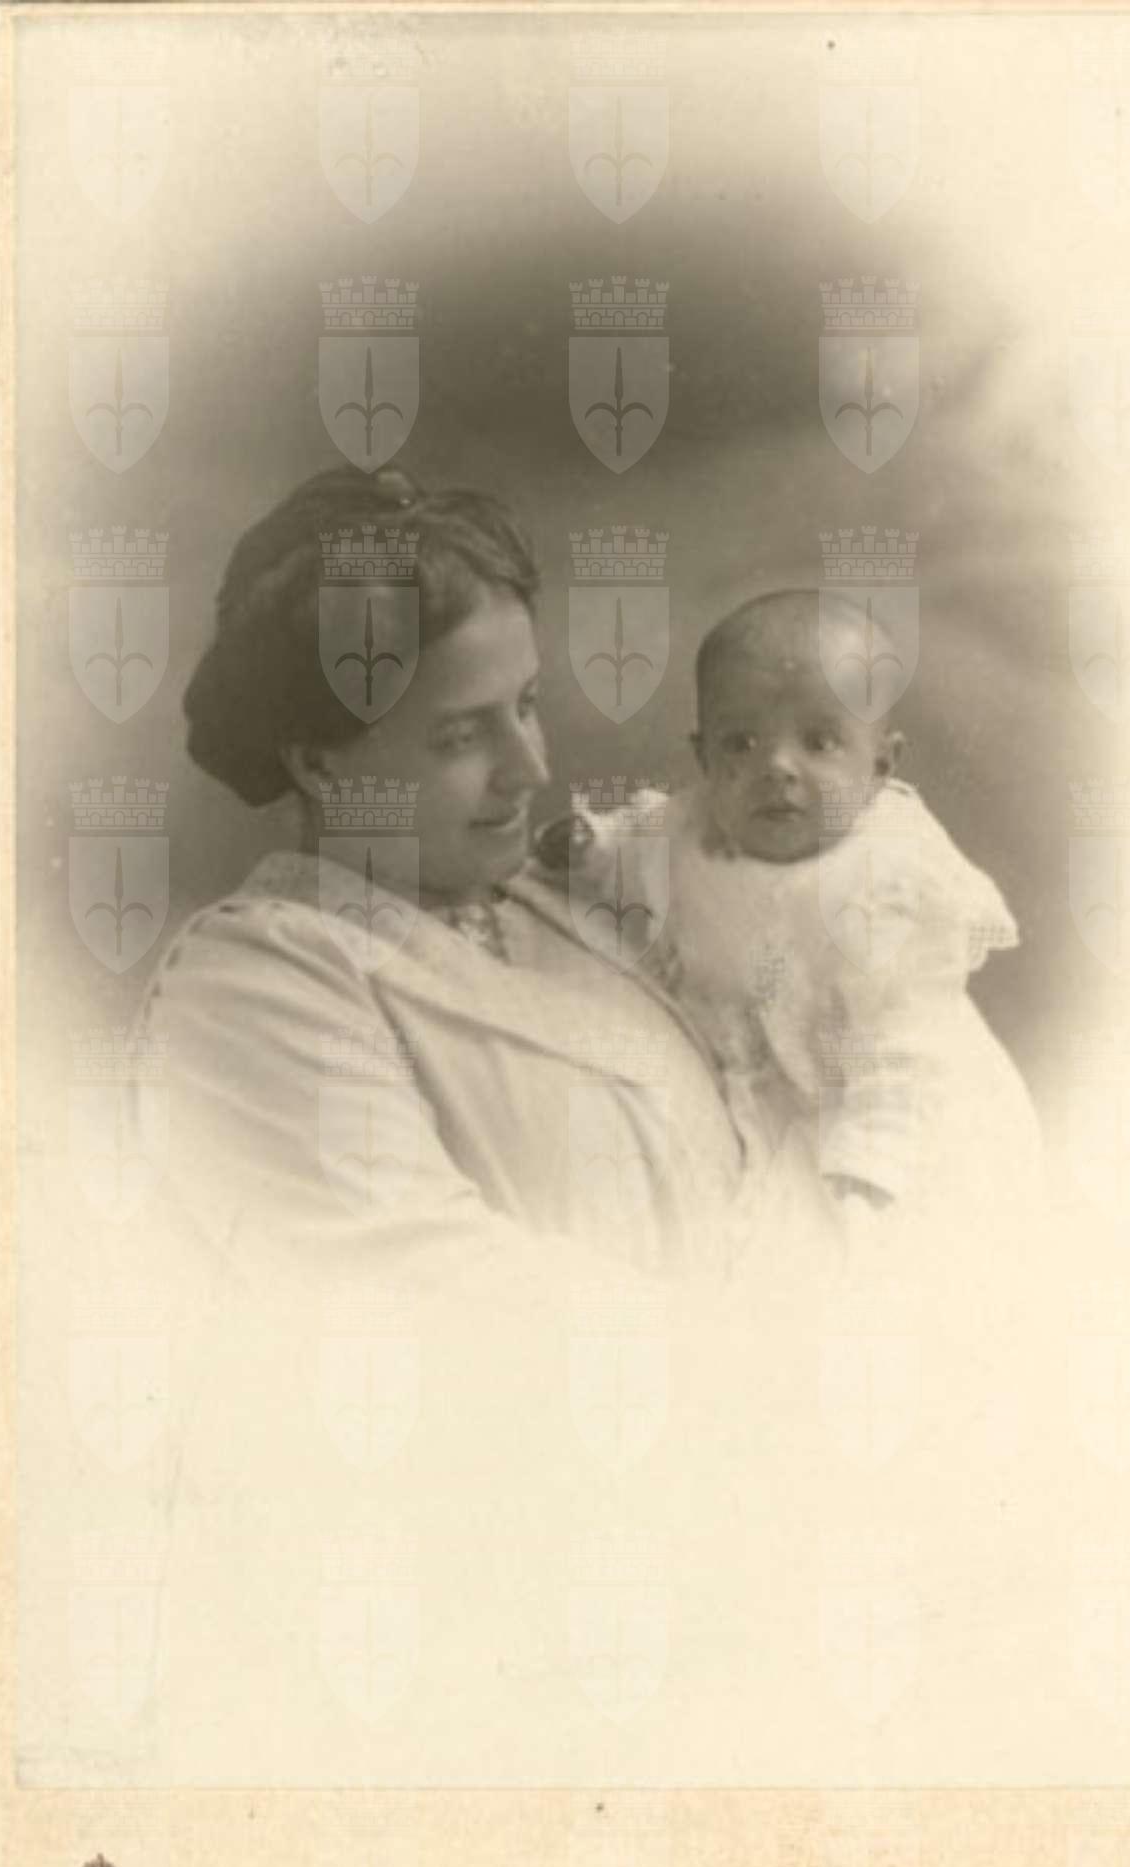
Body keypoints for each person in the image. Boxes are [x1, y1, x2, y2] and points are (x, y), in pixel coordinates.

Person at [133, 465, 756, 1315]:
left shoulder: (576, 903)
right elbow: (438, 1306)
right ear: (319, 763)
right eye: (461, 737)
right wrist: (767, 1350)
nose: (531, 769)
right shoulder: (252, 988)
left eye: (527, 705)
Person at [535, 589, 1044, 1265]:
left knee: (896, 1257)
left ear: (879, 766)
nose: (776, 766)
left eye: (820, 741)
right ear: (704, 758)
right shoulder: (693, 824)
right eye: (741, 743)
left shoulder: (887, 879)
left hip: (903, 1116)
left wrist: (870, 1164)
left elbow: (904, 1047)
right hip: (772, 1099)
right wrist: (585, 848)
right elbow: (637, 839)